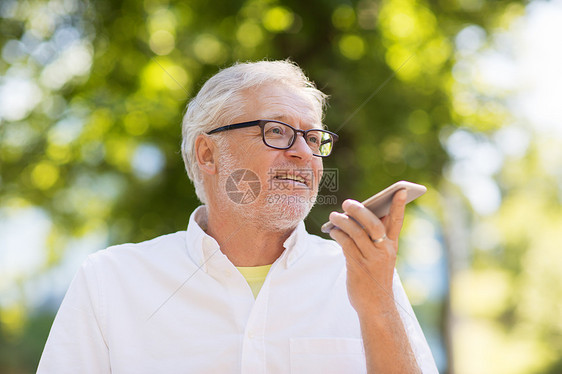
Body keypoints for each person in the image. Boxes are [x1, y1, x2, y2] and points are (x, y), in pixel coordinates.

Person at [37, 60, 438, 373]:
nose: (303, 152)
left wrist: (378, 308)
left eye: (313, 138)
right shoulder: (110, 281)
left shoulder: (363, 274)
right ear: (208, 154)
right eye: (277, 131)